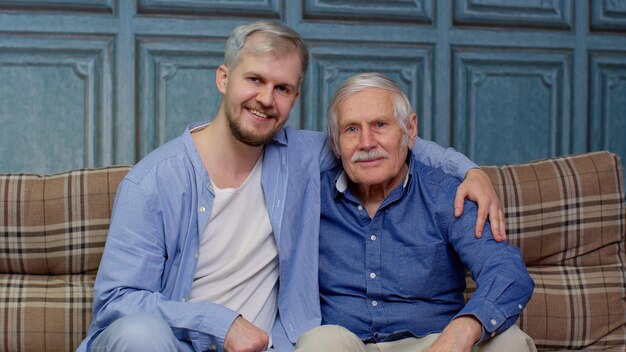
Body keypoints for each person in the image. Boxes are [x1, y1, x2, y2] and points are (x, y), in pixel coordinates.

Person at [78, 22, 506, 352]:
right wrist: (218, 322)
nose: (266, 99)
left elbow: (382, 144)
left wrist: (470, 171)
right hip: (174, 342)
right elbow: (117, 300)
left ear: (295, 99)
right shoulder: (153, 182)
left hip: (272, 345)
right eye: (255, 80)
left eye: (282, 88)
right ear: (223, 78)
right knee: (138, 331)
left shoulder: (302, 156)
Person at [295, 73, 535, 352]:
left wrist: (464, 328)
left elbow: (506, 269)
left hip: (435, 342)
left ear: (409, 131)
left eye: (380, 125)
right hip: (345, 344)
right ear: (335, 144)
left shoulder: (447, 195)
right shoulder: (311, 197)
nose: (366, 142)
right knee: (320, 342)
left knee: (510, 341)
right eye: (351, 129)